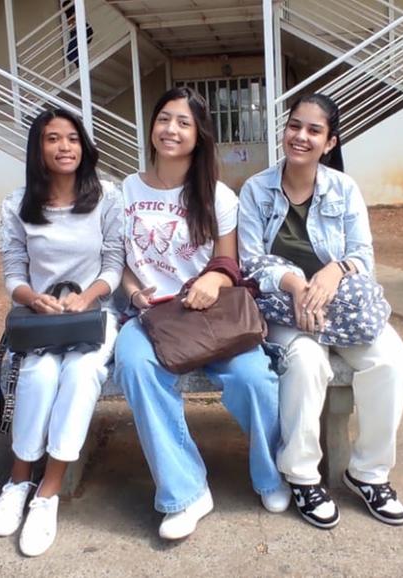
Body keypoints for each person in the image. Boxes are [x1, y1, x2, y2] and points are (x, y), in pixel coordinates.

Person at [114, 86, 288, 540]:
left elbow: (230, 263)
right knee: (133, 364)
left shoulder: (217, 196)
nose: (171, 129)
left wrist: (213, 279)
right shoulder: (125, 192)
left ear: (198, 135)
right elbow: (122, 266)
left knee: (253, 378)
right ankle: (187, 493)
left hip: (210, 317)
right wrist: (134, 296)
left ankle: (272, 475)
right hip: (154, 318)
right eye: (164, 119)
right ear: (152, 127)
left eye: (183, 122)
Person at [237, 93, 403, 529]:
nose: (301, 136)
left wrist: (334, 271)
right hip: (284, 309)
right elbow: (248, 261)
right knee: (305, 362)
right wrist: (296, 283)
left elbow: (362, 256)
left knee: (390, 363)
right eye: (295, 126)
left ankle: (368, 473)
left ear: (330, 141)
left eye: (314, 130)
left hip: (343, 308)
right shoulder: (256, 190)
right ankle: (302, 475)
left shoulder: (344, 189)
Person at [0, 107, 124, 557]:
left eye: (72, 138)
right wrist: (32, 298)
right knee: (41, 375)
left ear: (84, 145)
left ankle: (48, 492)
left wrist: (87, 296)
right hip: (41, 319)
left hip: (93, 316)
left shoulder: (107, 196)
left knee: (83, 374)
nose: (64, 147)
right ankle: (17, 479)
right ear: (38, 148)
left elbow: (113, 263)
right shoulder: (17, 204)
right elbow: (13, 272)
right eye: (52, 139)